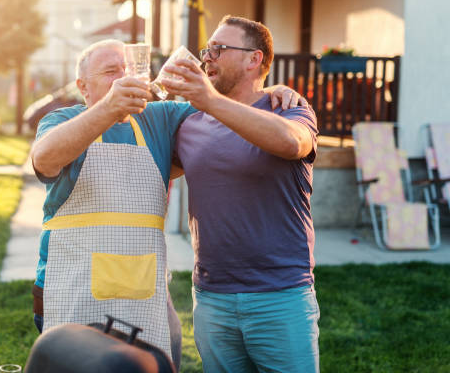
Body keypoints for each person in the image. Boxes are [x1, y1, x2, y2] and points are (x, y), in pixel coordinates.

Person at [30, 39, 305, 370]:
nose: (123, 78)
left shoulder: (160, 118)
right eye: (110, 72)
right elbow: (44, 160)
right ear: (82, 87)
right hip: (72, 290)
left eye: (127, 69)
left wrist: (270, 89)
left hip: (143, 293)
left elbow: (229, 102)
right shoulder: (62, 120)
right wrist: (108, 108)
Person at [162, 16, 319, 373]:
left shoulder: (289, 108)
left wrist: (210, 101)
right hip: (211, 297)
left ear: (254, 59)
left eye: (219, 49)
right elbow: (152, 170)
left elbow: (291, 143)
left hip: (281, 296)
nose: (207, 58)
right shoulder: (190, 123)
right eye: (207, 50)